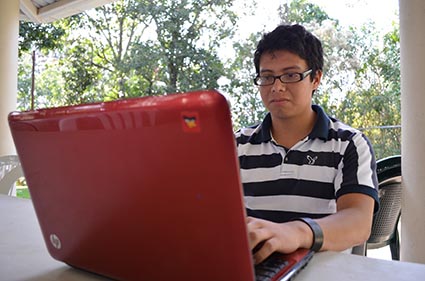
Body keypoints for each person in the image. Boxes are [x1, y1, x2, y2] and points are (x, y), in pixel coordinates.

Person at [235, 24, 379, 265]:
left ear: (316, 79)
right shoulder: (236, 146)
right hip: (253, 269)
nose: (276, 87)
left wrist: (296, 232)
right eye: (267, 77)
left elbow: (358, 221)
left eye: (291, 75)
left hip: (322, 272)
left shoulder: (348, 143)